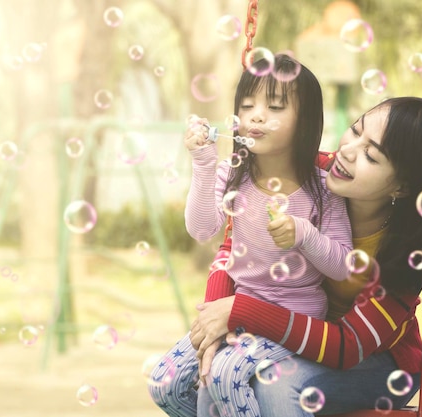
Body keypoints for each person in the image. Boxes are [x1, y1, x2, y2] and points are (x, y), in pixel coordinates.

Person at [189, 96, 422, 416]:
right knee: (198, 379)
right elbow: (234, 246)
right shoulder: (308, 174)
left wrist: (241, 311)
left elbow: (347, 347)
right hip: (291, 334)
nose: (347, 150)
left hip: (378, 362)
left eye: (371, 155)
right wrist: (216, 319)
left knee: (276, 387)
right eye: (354, 130)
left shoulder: (406, 254)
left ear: (402, 188)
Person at [148, 53, 354, 417]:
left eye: (275, 107)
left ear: (305, 121)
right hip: (238, 310)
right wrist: (204, 164)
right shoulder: (233, 173)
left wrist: (303, 234)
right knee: (165, 382)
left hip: (292, 316)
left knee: (224, 376)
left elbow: (341, 266)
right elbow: (202, 229)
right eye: (247, 106)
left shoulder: (323, 190)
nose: (256, 115)